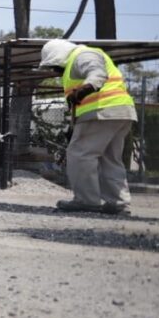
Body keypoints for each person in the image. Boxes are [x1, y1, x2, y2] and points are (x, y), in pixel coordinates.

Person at [38, 39, 136, 214]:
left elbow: (97, 74)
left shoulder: (82, 55)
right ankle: (118, 203)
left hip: (102, 112)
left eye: (54, 65)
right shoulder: (78, 60)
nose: (54, 71)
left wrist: (85, 89)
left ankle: (86, 201)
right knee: (110, 158)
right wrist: (73, 126)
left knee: (79, 154)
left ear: (59, 56)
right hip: (119, 112)